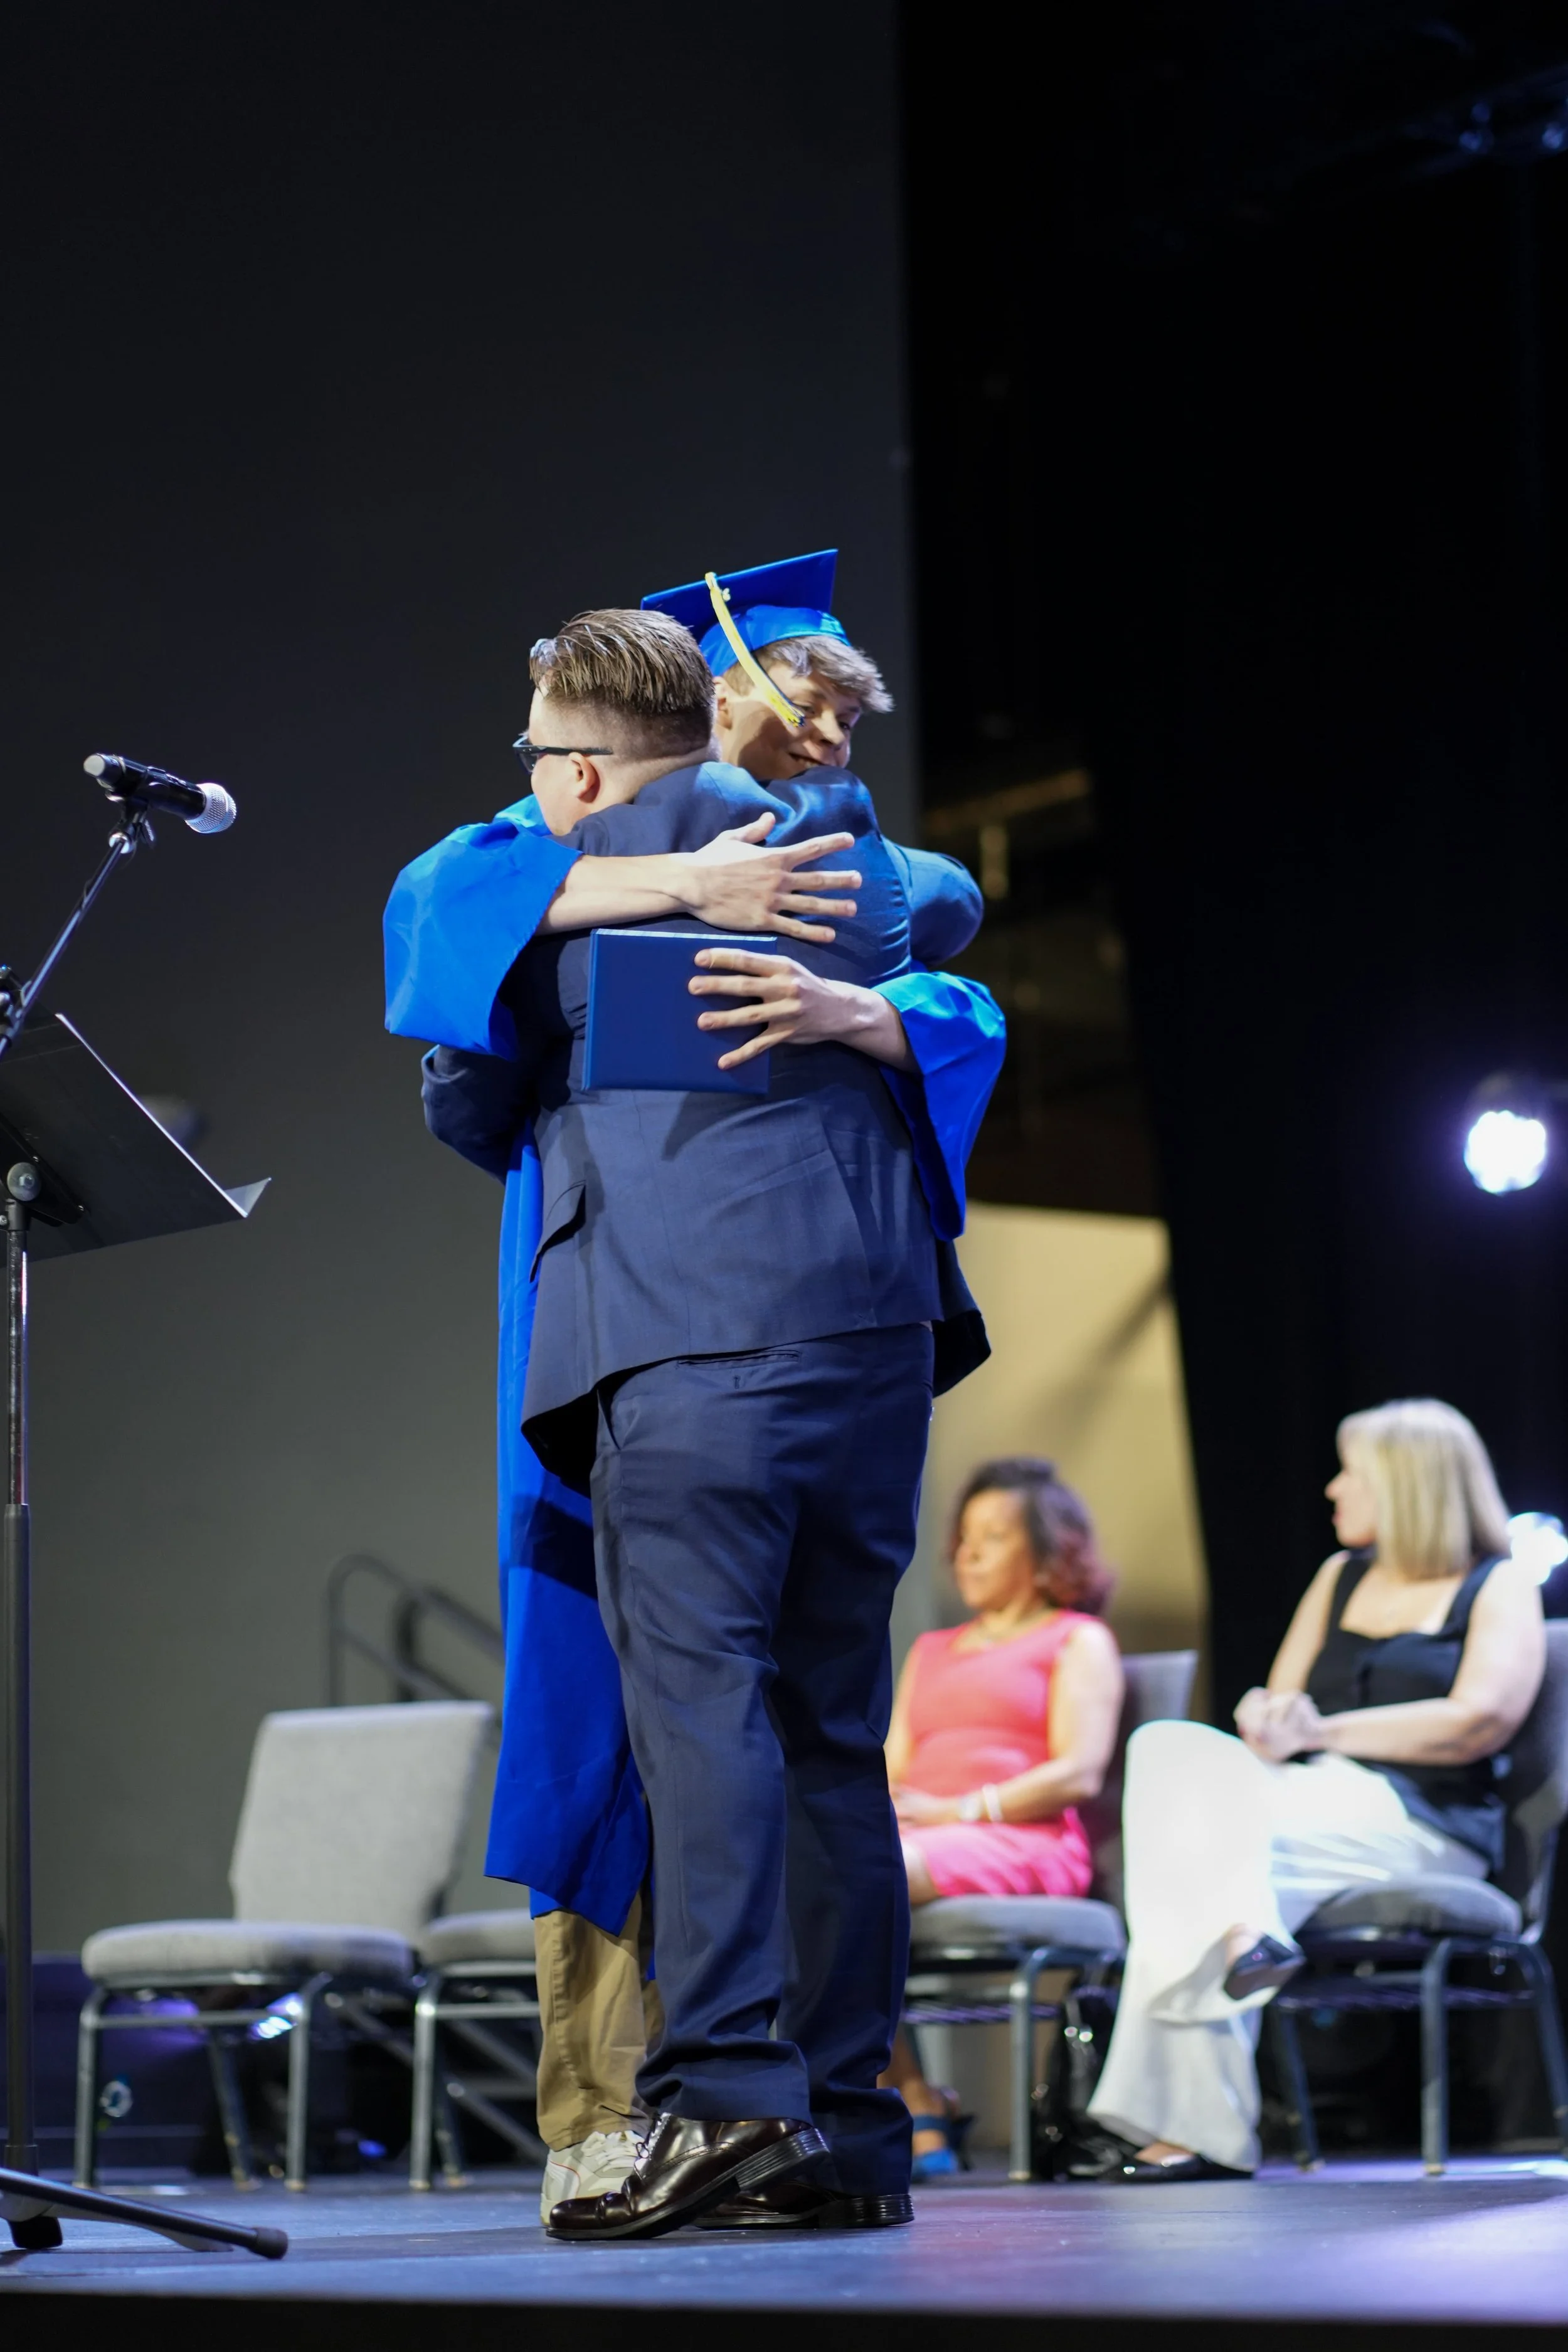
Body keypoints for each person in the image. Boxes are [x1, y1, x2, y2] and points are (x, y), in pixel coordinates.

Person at [385, 555, 1004, 2221]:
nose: (523, 775)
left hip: (681, 1339)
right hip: (869, 1348)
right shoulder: (853, 867)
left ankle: (723, 2098)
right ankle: (846, 2131)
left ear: (577, 766)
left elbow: (454, 1063)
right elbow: (934, 910)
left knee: (702, 1722)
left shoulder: (534, 873)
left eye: (534, 749)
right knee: (827, 1728)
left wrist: (602, 892)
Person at [1082, 1397, 1544, 2181]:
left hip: (1423, 1824)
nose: (1332, 1491)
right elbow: (1279, 1705)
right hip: (1307, 1804)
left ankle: (1195, 2128)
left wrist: (1321, 1733)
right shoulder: (1338, 1577)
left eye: (1349, 1476)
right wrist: (1267, 1718)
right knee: (1167, 1745)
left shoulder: (1497, 1585)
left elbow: (1478, 1722)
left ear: (1405, 1486)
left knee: (1194, 1854)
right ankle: (1245, 1935)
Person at [879, 1458, 1123, 2176]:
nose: (968, 1552)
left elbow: (1077, 1770)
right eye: (963, 1537)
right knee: (815, 1871)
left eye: (993, 1535)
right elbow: (894, 1763)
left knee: (865, 1874)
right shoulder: (931, 1650)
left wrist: (959, 1809)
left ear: (1048, 1552)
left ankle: (907, 2101)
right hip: (924, 1837)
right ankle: (911, 2091)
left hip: (1026, 1840)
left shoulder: (1075, 1640)